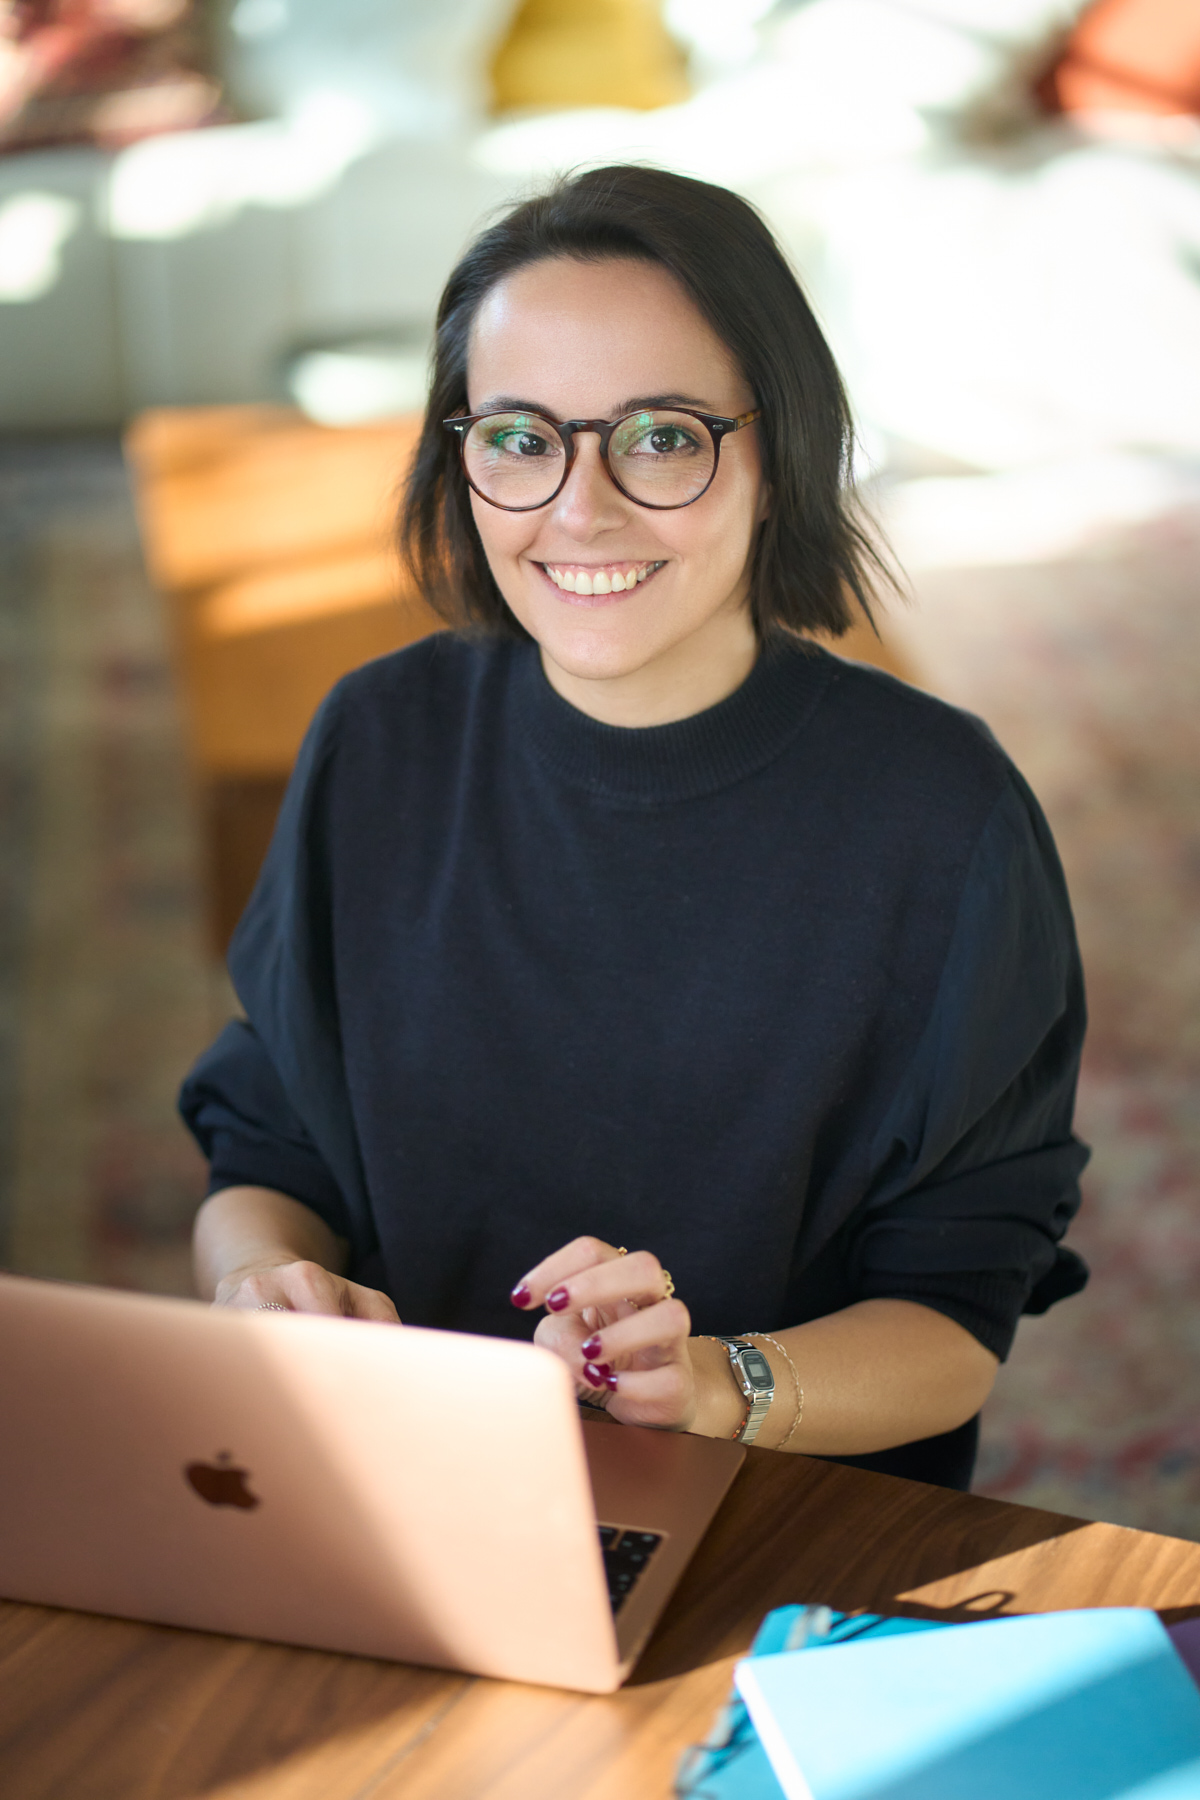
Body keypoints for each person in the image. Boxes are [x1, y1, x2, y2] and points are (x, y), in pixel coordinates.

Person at [180, 165, 1088, 1491]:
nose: (580, 506)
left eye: (661, 435)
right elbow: (271, 1141)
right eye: (520, 436)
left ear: (781, 455)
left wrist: (719, 1384)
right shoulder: (378, 739)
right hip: (405, 1491)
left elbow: (954, 1317)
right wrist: (265, 1283)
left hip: (776, 1524)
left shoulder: (942, 811)